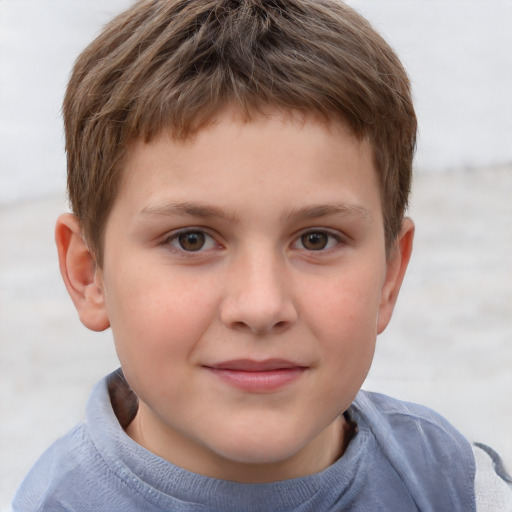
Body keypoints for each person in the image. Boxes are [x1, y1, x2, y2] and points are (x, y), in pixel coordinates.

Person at [11, 0, 512, 510]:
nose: (261, 307)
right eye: (192, 239)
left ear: (389, 275)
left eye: (317, 239)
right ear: (89, 274)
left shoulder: (456, 485)